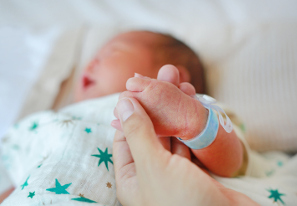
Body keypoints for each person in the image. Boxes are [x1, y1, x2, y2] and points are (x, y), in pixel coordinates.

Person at [1, 30, 293, 205]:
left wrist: (193, 120)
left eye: (112, 52)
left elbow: (234, 162)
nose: (92, 61)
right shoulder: (54, 120)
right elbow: (23, 173)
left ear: (171, 72)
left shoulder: (190, 109)